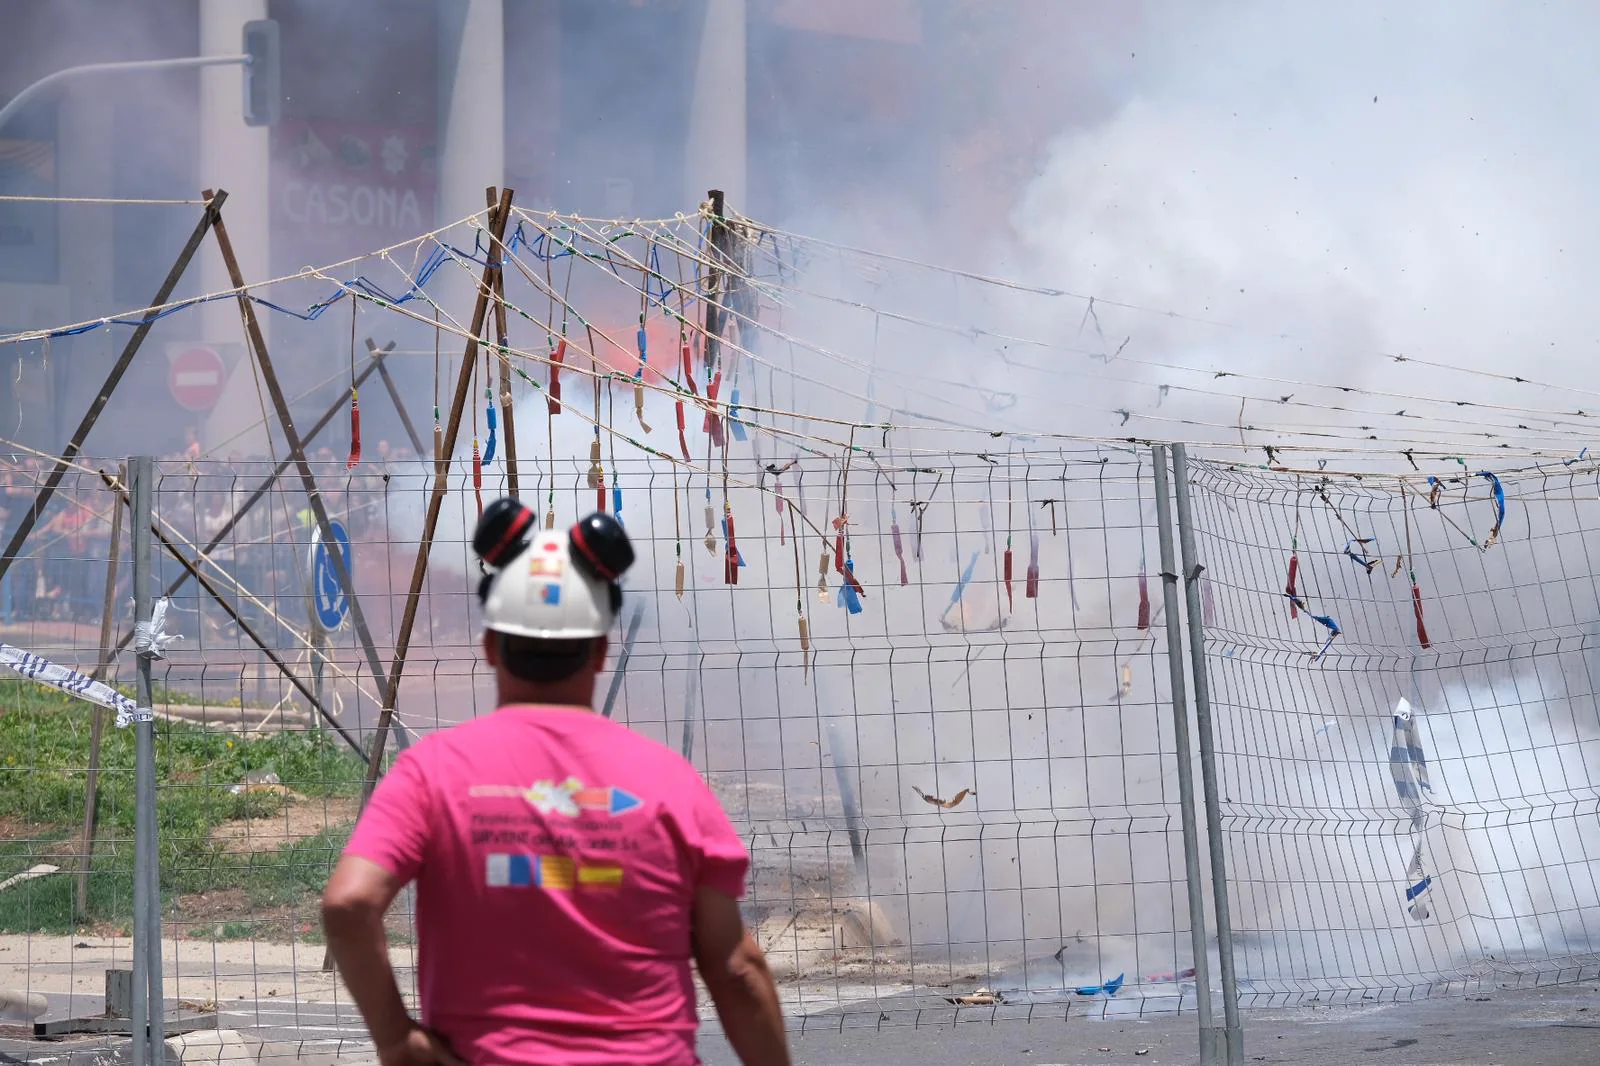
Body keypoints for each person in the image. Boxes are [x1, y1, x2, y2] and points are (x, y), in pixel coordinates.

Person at [322, 501, 790, 1066]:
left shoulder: (432, 772)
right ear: (598, 652)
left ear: (491, 647)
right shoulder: (671, 782)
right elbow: (736, 970)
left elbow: (348, 905)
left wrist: (397, 1041)